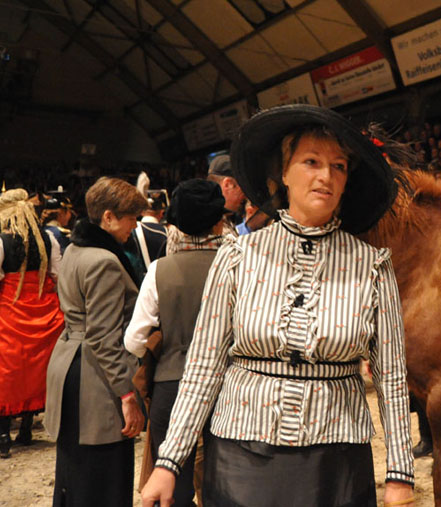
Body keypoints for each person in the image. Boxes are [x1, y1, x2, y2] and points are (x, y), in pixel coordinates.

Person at [140, 104, 414, 507]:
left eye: (338, 166)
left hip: (337, 462)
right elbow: (203, 366)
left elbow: (390, 378)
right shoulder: (237, 255)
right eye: (311, 161)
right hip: (241, 458)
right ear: (283, 174)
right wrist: (169, 462)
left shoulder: (372, 266)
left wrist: (400, 473)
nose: (326, 176)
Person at [45, 177, 147, 506]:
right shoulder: (104, 261)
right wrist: (127, 393)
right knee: (100, 477)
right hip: (95, 377)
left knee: (74, 473)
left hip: (70, 364)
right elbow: (103, 338)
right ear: (108, 217)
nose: (134, 226)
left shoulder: (76, 248)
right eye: (131, 218)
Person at [124, 179, 226, 506]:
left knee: (173, 487)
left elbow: (134, 340)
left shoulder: (159, 270)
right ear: (218, 220)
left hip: (171, 382)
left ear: (175, 223)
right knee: (224, 479)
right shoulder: (239, 267)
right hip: (229, 387)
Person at [0, 189, 64, 459]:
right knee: (34, 369)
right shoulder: (47, 238)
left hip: (8, 313)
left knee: (3, 371)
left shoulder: (1, 240)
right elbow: (58, 274)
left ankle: (1, 435)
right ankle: (25, 428)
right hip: (43, 311)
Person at [206, 154, 246, 224]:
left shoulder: (223, 217)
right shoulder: (211, 223)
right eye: (243, 187)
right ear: (227, 185)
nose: (245, 195)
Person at [41, 190, 74, 254]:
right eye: (69, 212)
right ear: (61, 213)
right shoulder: (62, 234)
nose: (70, 215)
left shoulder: (41, 230)